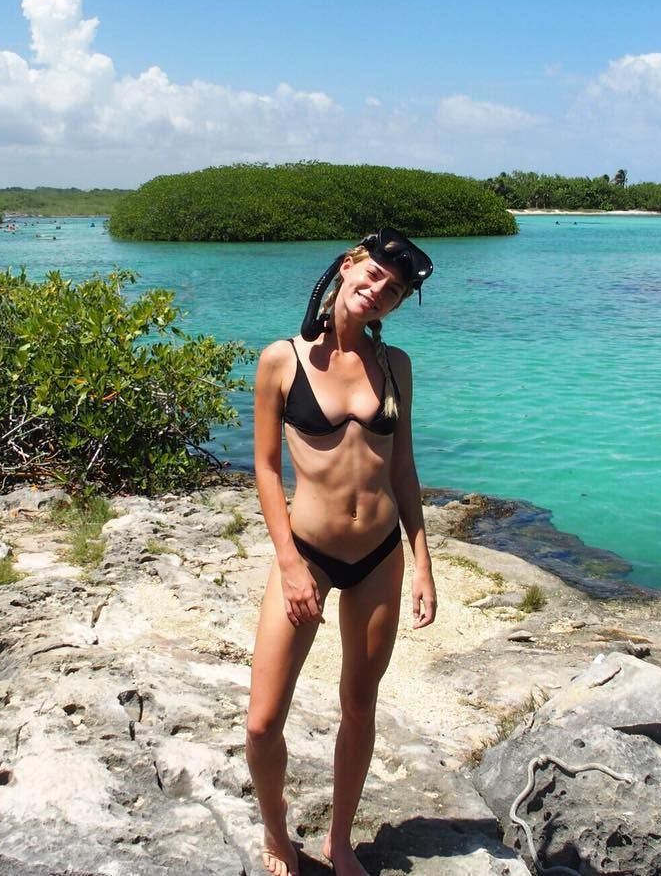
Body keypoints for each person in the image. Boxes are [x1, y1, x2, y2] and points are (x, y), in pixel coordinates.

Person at [245, 229, 438, 876]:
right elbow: (266, 468)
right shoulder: (282, 359)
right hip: (307, 553)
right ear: (349, 265)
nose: (379, 291)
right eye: (374, 274)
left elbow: (402, 467)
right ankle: (277, 833)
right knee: (262, 721)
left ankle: (339, 840)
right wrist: (289, 564)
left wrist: (422, 561)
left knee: (359, 704)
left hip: (380, 555)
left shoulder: (396, 365)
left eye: (394, 290)